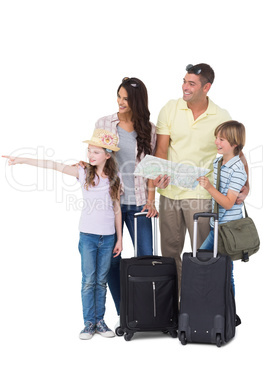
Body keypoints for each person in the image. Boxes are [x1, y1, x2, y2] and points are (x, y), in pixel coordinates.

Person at [3, 128, 122, 340]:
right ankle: (89, 323)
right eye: (89, 151)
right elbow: (53, 165)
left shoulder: (115, 177)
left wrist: (119, 238)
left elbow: (117, 209)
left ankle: (100, 322)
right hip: (88, 236)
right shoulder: (83, 172)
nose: (90, 155)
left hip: (108, 237)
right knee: (89, 280)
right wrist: (21, 159)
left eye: (95, 152)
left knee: (101, 281)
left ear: (107, 154)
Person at [154, 63, 249, 288]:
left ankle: (201, 306)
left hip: (201, 195)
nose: (185, 87)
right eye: (184, 82)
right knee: (170, 255)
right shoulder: (170, 108)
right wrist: (158, 176)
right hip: (169, 192)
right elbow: (161, 150)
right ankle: (175, 309)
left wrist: (246, 186)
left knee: (203, 254)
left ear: (206, 87)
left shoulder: (221, 115)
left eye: (191, 84)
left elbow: (237, 151)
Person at [92, 77, 157, 317]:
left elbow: (152, 168)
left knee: (146, 258)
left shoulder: (149, 129)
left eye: (126, 99)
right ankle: (125, 313)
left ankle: (147, 312)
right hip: (112, 205)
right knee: (112, 262)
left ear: (137, 102)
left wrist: (151, 200)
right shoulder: (104, 124)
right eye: (119, 96)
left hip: (140, 205)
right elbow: (96, 158)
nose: (120, 102)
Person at [197, 120, 248, 295]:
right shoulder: (218, 163)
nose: (217, 142)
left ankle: (229, 313)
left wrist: (209, 187)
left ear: (234, 144)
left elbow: (228, 202)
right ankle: (217, 305)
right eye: (217, 138)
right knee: (202, 258)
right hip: (217, 226)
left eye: (222, 139)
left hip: (229, 229)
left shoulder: (238, 170)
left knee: (226, 271)